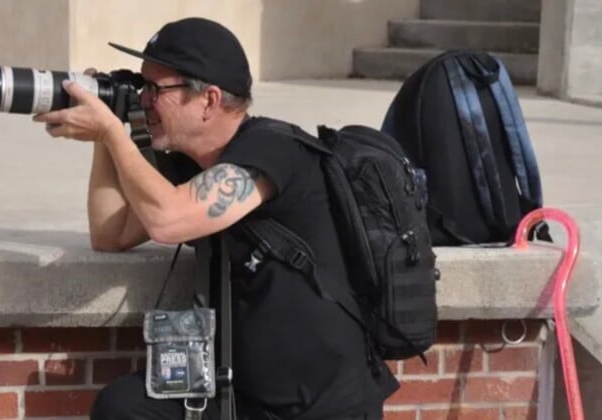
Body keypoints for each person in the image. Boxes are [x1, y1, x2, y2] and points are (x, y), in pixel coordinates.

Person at [32, 17, 398, 420]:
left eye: (156, 88)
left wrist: (112, 135)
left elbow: (167, 221)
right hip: (238, 395)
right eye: (140, 87)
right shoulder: (190, 165)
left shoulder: (273, 151)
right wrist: (109, 125)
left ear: (208, 99)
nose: (144, 100)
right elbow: (111, 233)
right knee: (123, 407)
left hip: (323, 407)